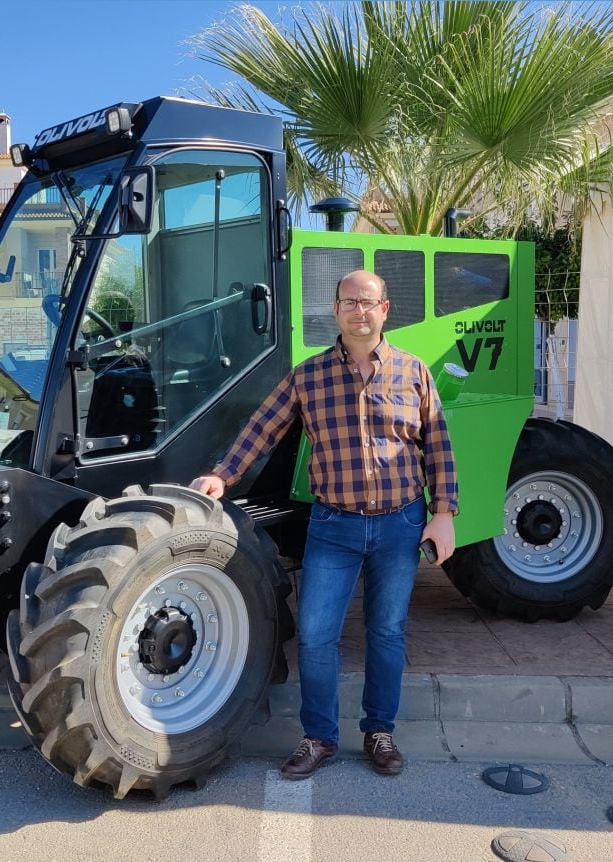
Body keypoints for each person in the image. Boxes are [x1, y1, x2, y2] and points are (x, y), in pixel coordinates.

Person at [190, 269, 458, 779]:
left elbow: (438, 444)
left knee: (386, 632)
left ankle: (380, 731)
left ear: (385, 309)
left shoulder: (413, 372)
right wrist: (224, 475)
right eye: (349, 302)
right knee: (315, 636)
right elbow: (262, 428)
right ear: (335, 311)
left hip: (401, 524)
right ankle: (318, 738)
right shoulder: (307, 376)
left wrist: (443, 515)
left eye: (369, 302)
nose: (360, 310)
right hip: (334, 527)